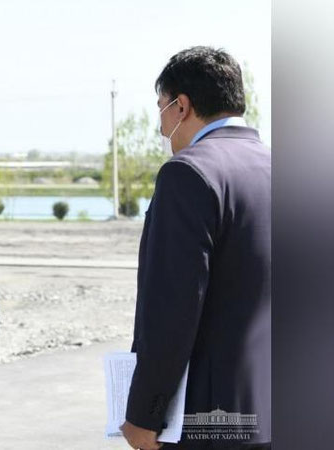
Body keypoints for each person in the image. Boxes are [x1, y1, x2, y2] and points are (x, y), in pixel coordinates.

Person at [121, 46, 271, 450]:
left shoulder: (188, 173)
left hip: (209, 420)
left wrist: (144, 413)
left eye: (161, 109)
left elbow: (172, 308)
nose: (160, 127)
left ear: (181, 106)